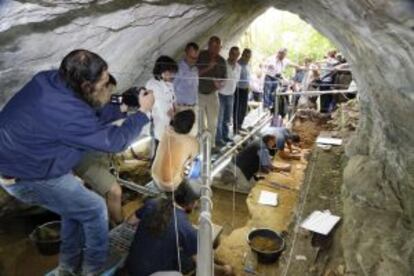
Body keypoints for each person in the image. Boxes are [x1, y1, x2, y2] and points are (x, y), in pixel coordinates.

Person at [0, 49, 154, 275]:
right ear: (85, 86)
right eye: (103, 84)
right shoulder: (66, 112)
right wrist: (143, 113)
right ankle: (94, 269)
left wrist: (122, 104)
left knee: (74, 210)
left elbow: (87, 111)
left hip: (32, 160)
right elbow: (114, 141)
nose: (106, 86)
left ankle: (68, 267)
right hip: (28, 176)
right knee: (94, 209)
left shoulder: (50, 80)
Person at [125, 182, 234, 276]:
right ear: (192, 203)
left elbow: (130, 221)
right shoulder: (185, 228)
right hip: (150, 274)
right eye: (196, 202)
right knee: (186, 264)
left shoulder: (153, 203)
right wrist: (225, 270)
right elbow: (203, 264)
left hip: (131, 266)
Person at [73, 75, 134, 226]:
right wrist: (122, 109)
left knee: (102, 193)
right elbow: (100, 118)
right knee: (115, 191)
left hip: (100, 155)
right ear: (99, 89)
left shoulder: (111, 99)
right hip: (85, 159)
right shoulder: (85, 105)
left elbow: (120, 100)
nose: (110, 94)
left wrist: (129, 99)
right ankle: (120, 225)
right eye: (108, 90)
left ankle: (108, 222)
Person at [151, 110, 199, 191]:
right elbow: (194, 163)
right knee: (197, 167)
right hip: (171, 184)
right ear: (191, 126)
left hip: (154, 176)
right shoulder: (191, 141)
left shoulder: (166, 132)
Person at [197, 36, 227, 148]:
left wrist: (220, 84)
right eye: (213, 46)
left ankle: (211, 146)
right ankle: (199, 147)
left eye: (217, 47)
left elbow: (225, 78)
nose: (215, 49)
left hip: (213, 94)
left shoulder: (222, 61)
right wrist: (209, 67)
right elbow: (194, 74)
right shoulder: (201, 56)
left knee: (212, 122)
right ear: (208, 45)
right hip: (199, 93)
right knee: (200, 122)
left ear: (220, 47)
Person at [146, 56, 178, 155]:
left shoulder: (168, 83)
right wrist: (172, 114)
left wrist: (175, 111)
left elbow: (173, 100)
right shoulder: (153, 85)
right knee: (159, 152)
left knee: (167, 152)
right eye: (170, 72)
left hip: (169, 123)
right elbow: (161, 109)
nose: (172, 75)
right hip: (159, 124)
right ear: (163, 71)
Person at [216, 46, 241, 146]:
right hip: (221, 94)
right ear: (229, 54)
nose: (234, 56)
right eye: (232, 54)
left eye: (236, 54)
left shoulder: (239, 67)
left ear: (238, 56)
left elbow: (237, 80)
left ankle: (225, 136)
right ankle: (218, 139)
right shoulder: (223, 65)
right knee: (220, 117)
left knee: (227, 118)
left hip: (231, 94)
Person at [174, 42, 200, 118]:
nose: (193, 60)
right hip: (181, 108)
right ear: (186, 53)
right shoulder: (178, 69)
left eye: (195, 58)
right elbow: (172, 88)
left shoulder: (195, 69)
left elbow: (195, 88)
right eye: (191, 57)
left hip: (193, 107)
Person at [233, 48, 252, 134]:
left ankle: (240, 125)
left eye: (249, 56)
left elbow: (248, 77)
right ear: (243, 55)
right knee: (237, 108)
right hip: (238, 89)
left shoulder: (248, 65)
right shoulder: (238, 64)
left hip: (245, 88)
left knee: (243, 109)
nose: (248, 58)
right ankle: (236, 127)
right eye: (246, 56)